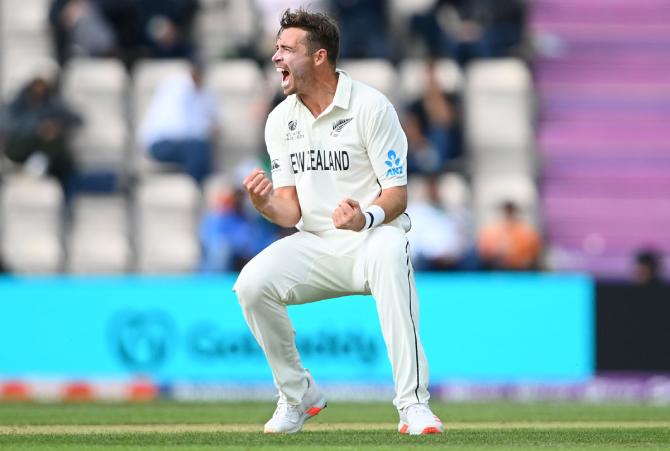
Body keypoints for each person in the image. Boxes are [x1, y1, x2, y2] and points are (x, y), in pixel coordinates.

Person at [233, 8, 444, 435]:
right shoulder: (280, 120)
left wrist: (364, 218)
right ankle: (298, 395)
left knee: (391, 250)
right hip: (316, 243)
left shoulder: (370, 106)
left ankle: (413, 406)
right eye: (275, 49)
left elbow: (398, 194)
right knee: (252, 284)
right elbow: (289, 210)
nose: (276, 58)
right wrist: (264, 204)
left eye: (287, 49)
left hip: (371, 236)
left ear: (319, 57)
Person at [138, 62, 218, 184]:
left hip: (181, 143)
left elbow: (212, 121)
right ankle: (196, 187)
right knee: (197, 147)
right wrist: (207, 129)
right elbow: (181, 130)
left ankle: (199, 188)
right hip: (159, 144)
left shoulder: (204, 91)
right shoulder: (176, 87)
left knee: (200, 146)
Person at [477, 200, 541, 271]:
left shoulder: (527, 232)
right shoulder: (491, 231)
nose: (509, 214)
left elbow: (532, 253)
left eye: (511, 211)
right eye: (507, 211)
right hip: (497, 269)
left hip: (521, 270)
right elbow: (485, 253)